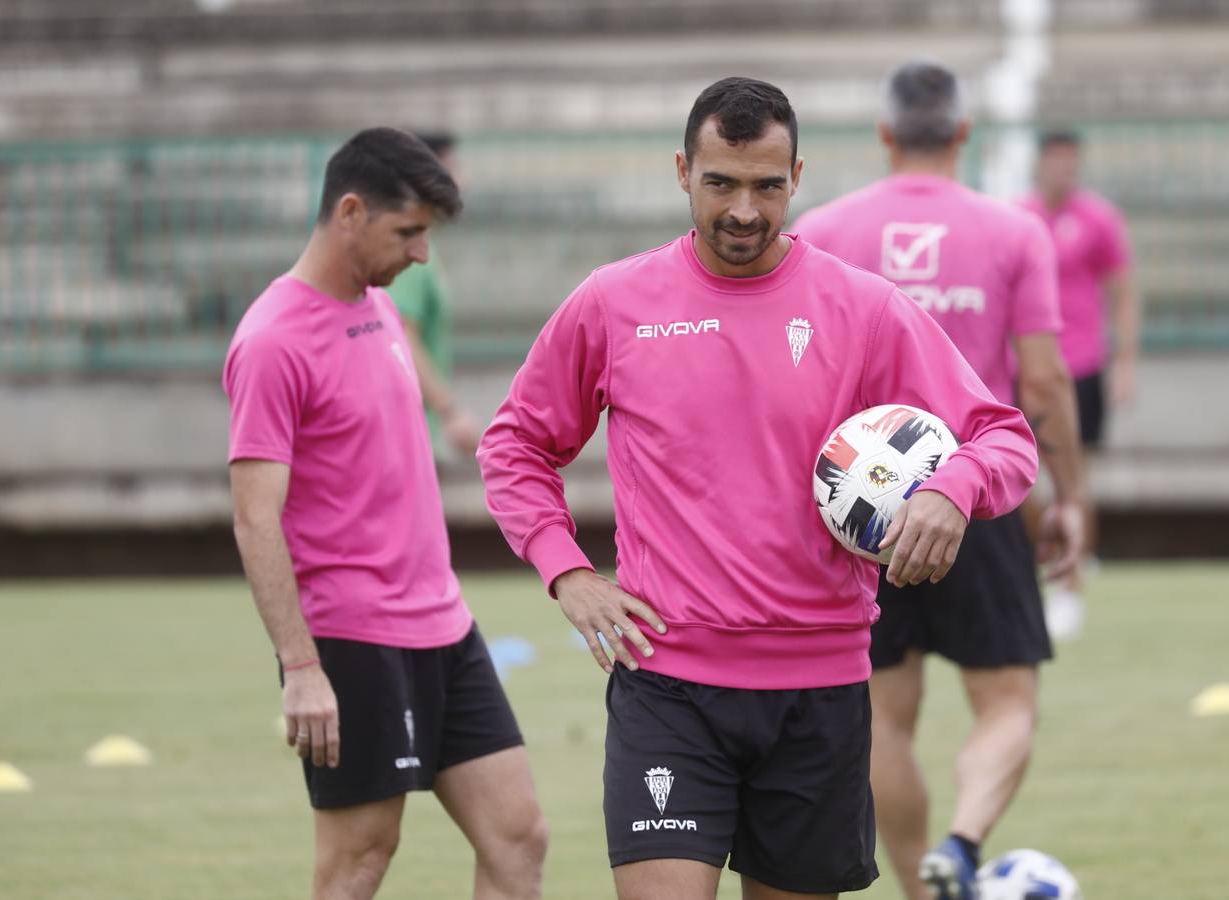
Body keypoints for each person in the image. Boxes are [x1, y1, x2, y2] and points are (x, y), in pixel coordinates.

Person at [478, 77, 1039, 900]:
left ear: (797, 177)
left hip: (820, 689)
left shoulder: (863, 307)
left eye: (766, 186)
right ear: (682, 172)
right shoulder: (613, 302)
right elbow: (517, 443)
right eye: (721, 184)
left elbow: (1004, 435)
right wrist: (566, 571)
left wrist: (952, 487)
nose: (744, 210)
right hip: (668, 685)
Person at [224, 127, 547, 900]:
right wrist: (302, 670)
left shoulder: (379, 308)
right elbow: (254, 519)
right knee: (361, 858)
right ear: (349, 213)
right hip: (350, 636)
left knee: (518, 834)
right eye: (408, 233)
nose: (422, 254)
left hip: (444, 625)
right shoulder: (272, 341)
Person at [793, 60, 1085, 900]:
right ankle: (960, 842)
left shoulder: (822, 229)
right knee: (1007, 702)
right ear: (963, 133)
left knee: (883, 714)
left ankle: (921, 891)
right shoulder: (1012, 231)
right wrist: (1069, 497)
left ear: (885, 135)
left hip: (861, 518)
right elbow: (1039, 383)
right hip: (973, 490)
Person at [1017, 129, 1139, 639]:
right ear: (1040, 164)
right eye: (1057, 162)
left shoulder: (1098, 219)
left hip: (1081, 365)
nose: (1065, 171)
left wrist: (1126, 361)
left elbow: (1123, 291)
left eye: (1073, 163)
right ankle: (1046, 558)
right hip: (1025, 364)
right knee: (1020, 478)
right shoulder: (1018, 218)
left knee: (1075, 474)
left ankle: (1070, 586)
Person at [385, 130, 485, 460]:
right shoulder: (410, 255)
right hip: (408, 439)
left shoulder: (419, 245)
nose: (464, 179)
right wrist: (450, 411)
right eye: (453, 167)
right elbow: (403, 337)